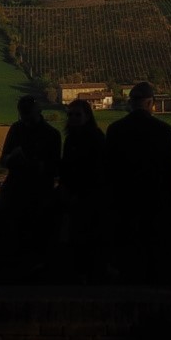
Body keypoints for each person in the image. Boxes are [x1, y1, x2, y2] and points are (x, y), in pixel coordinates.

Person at [105, 81, 171, 282]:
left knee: (128, 254)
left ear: (131, 103)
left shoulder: (115, 130)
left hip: (124, 202)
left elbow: (108, 168)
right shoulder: (163, 130)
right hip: (155, 201)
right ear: (151, 103)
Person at [0, 95, 63, 276]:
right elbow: (3, 160)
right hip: (22, 192)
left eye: (27, 115)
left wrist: (26, 162)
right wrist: (12, 159)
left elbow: (53, 168)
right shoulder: (21, 130)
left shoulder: (50, 135)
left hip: (35, 194)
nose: (25, 119)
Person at [57, 98, 107, 281]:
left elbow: (97, 171)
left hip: (89, 199)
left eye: (77, 114)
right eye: (70, 115)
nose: (73, 118)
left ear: (87, 116)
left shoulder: (96, 138)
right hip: (73, 197)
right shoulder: (71, 139)